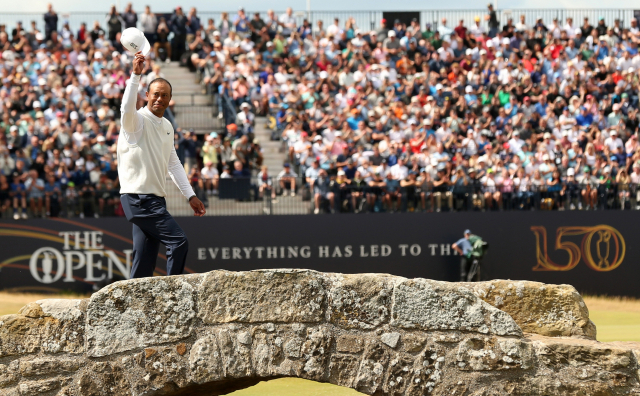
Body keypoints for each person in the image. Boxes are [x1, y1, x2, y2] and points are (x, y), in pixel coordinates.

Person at [118, 51, 205, 279]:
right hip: (138, 199)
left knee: (144, 264)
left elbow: (173, 163)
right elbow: (126, 109)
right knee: (178, 242)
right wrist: (135, 76)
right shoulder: (135, 120)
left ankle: (134, 308)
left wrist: (190, 195)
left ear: (169, 99)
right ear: (147, 95)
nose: (159, 99)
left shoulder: (167, 125)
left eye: (164, 95)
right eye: (155, 94)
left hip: (155, 200)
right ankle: (173, 295)